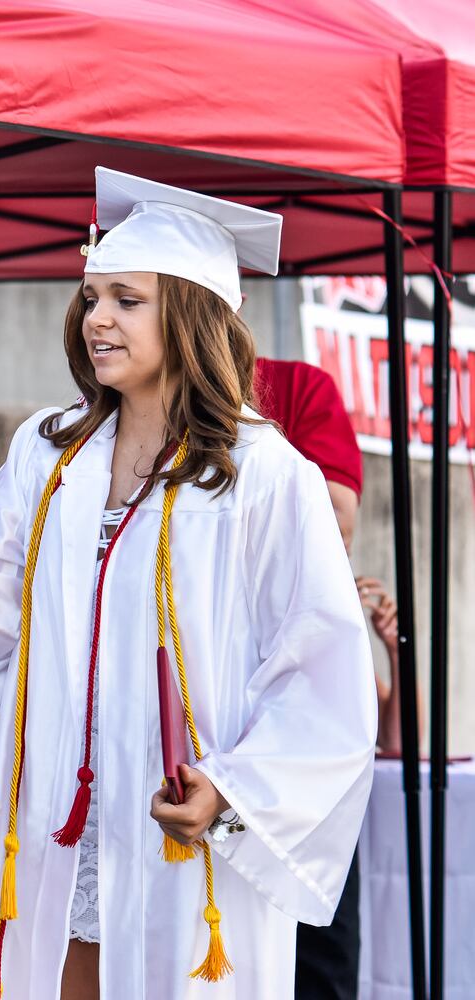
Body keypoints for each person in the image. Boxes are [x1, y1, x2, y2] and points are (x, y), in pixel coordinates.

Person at [0, 168, 376, 999]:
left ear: (191, 315)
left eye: (127, 299)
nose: (97, 321)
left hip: (173, 819)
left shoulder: (266, 475)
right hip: (55, 807)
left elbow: (321, 664)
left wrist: (230, 790)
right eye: (91, 298)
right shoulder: (51, 453)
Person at [253, 357, 410, 999]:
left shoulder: (296, 388)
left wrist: (395, 652)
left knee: (318, 959)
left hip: (303, 784)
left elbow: (392, 742)